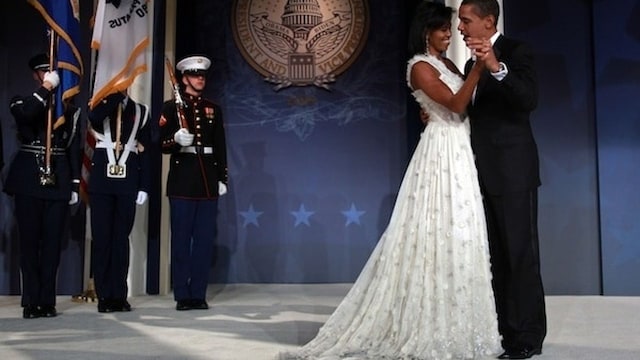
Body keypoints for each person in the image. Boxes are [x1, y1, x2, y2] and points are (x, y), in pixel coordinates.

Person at [280, 2, 501, 359]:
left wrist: (470, 74)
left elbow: (461, 107)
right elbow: (457, 105)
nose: (449, 33)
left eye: (450, 27)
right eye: (443, 28)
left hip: (460, 151)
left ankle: (459, 320)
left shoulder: (447, 64)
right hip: (440, 155)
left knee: (462, 230)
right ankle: (423, 322)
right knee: (435, 230)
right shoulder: (420, 67)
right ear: (426, 31)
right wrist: (477, 68)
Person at [456, 1, 547, 358]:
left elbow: (529, 99)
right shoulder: (467, 64)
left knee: (520, 256)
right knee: (498, 258)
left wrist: (496, 68)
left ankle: (528, 336)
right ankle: (506, 334)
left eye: (466, 20)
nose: (461, 27)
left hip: (514, 173)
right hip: (482, 174)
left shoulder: (516, 51)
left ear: (488, 21)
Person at [3, 53, 81, 319]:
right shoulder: (20, 101)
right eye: (43, 72)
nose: (48, 75)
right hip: (28, 180)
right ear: (36, 75)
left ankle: (47, 301)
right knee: (29, 243)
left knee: (51, 245)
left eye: (52, 72)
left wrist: (73, 184)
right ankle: (30, 300)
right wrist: (45, 89)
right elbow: (27, 114)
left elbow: (72, 148)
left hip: (57, 178)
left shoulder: (70, 111)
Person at [159, 55, 228, 311]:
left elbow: (220, 146)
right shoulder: (170, 108)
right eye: (195, 75)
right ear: (184, 78)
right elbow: (161, 145)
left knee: (203, 241)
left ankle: (198, 293)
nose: (201, 78)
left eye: (203, 75)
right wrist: (175, 139)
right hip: (183, 182)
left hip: (207, 182)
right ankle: (182, 294)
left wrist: (222, 177)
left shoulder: (213, 108)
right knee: (181, 241)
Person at [87, 92, 151, 313]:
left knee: (121, 240)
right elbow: (94, 118)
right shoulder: (101, 106)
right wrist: (113, 97)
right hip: (102, 181)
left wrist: (144, 185)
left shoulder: (141, 111)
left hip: (128, 180)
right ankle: (104, 295)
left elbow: (146, 151)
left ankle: (119, 296)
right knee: (103, 239)